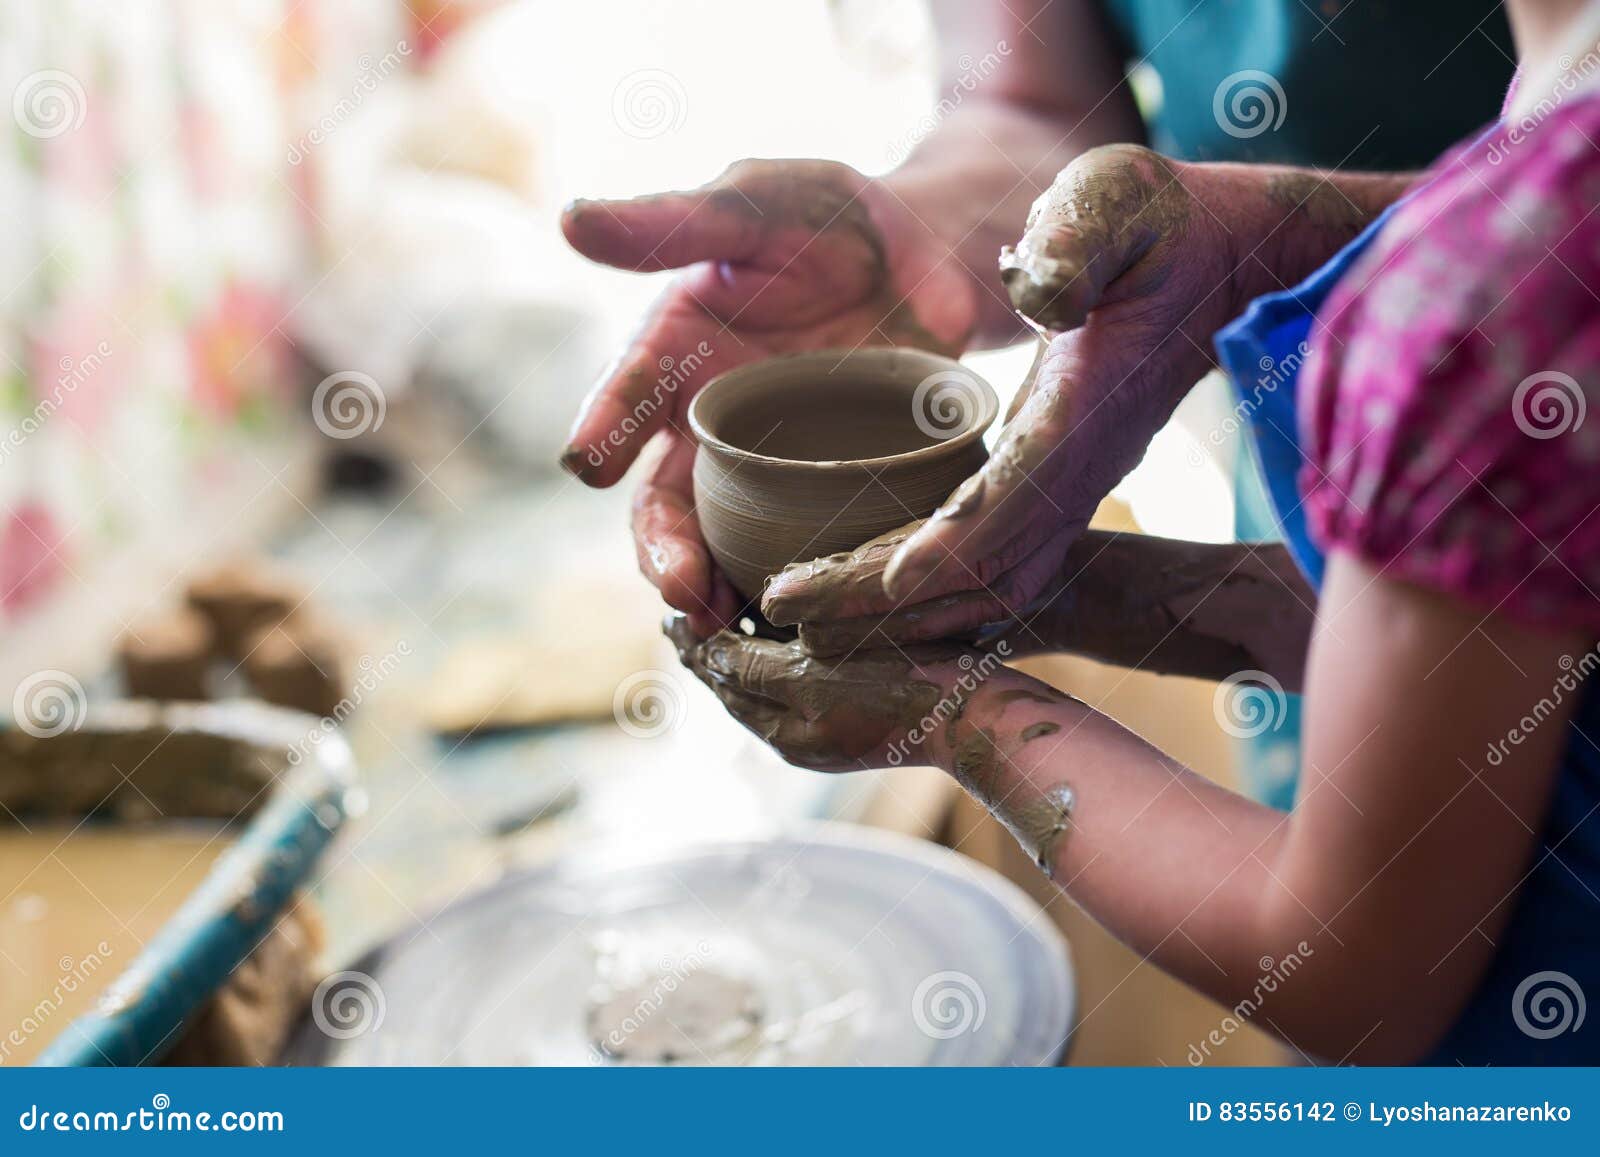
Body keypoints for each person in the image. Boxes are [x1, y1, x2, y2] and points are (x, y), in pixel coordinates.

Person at [665, 0, 1600, 1065]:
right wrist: (1103, 595)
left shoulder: (1486, 296)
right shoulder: (1529, 218)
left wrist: (957, 712)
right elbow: (1516, 641)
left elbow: (1356, 969)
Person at [559, 0, 1511, 638]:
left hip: (1548, 429)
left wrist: (1276, 246)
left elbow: (1571, 181)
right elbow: (1033, 102)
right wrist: (920, 232)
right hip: (1312, 466)